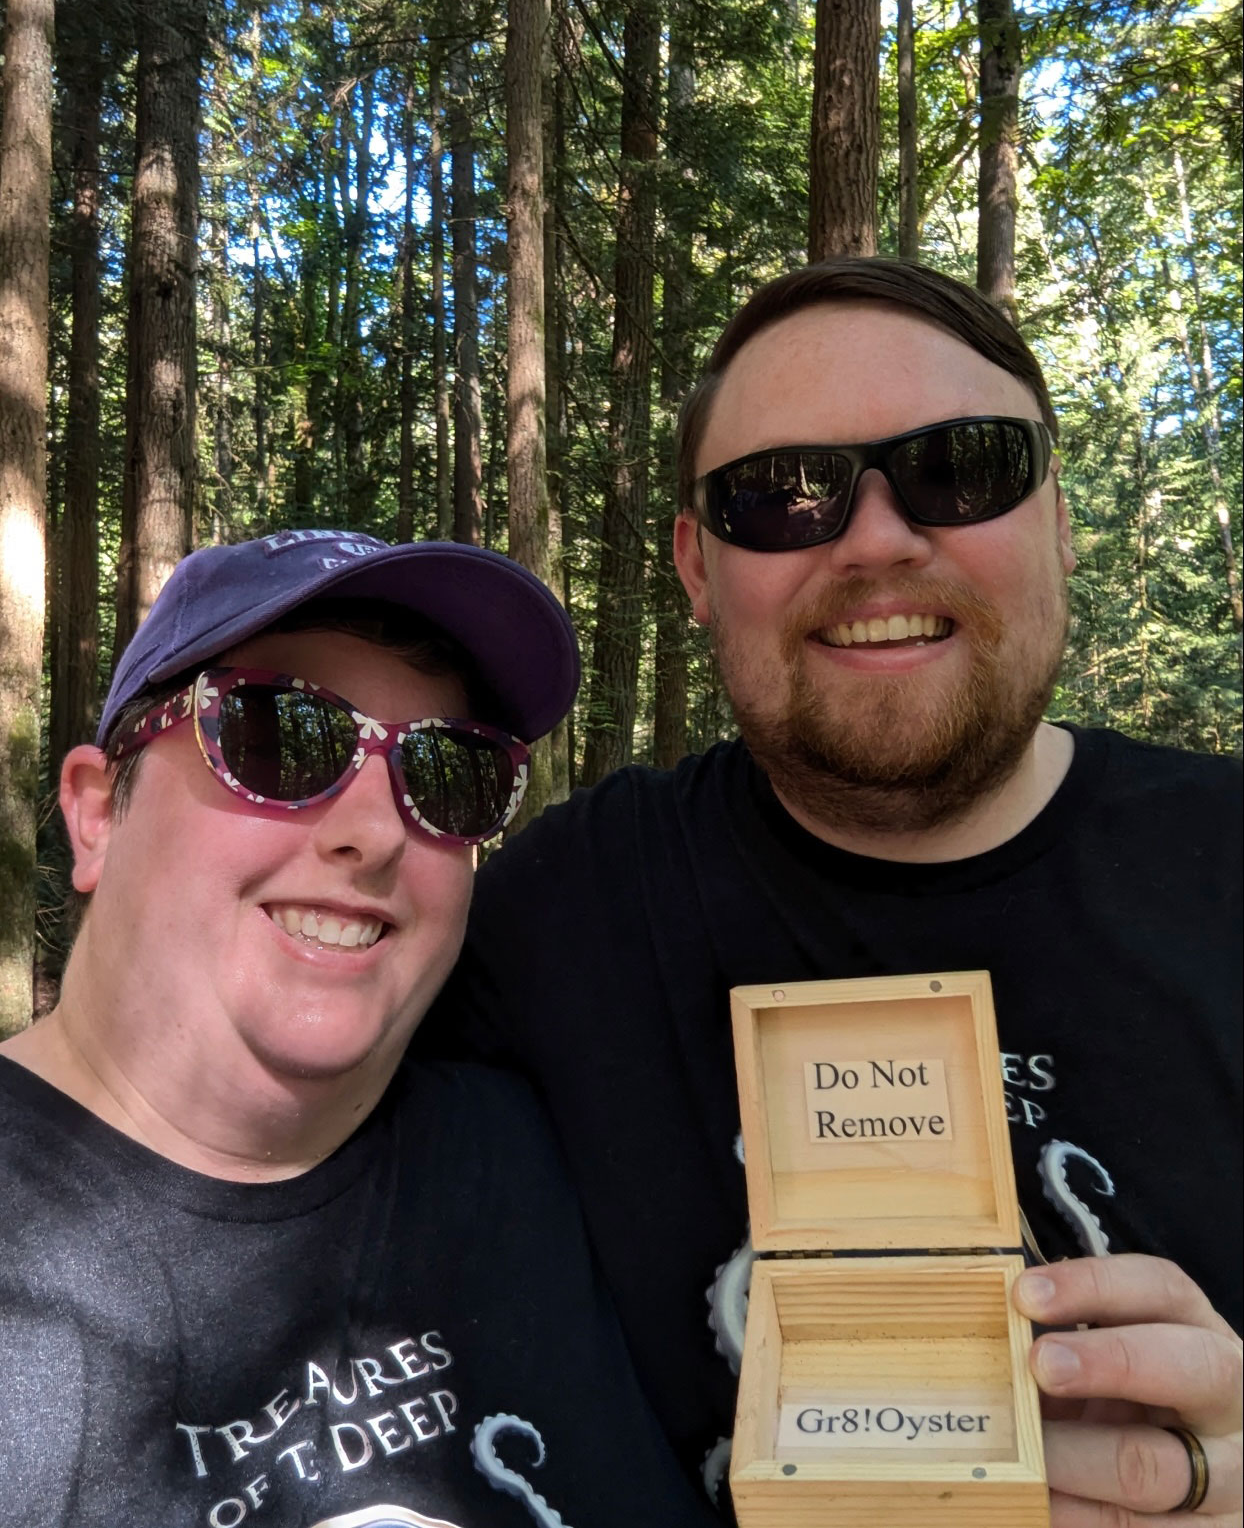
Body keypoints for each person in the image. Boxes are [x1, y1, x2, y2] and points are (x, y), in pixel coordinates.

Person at [422, 260, 1243, 1524]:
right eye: (778, 494)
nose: (874, 538)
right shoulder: (558, 916)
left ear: (1058, 520)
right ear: (696, 567)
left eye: (961, 467)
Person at [0, 528, 720, 1528]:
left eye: (450, 774)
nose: (376, 832)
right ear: (95, 813)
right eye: (272, 737)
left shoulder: (536, 1153)